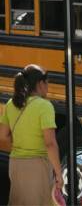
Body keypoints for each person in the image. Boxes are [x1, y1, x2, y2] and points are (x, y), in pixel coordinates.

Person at [0, 64, 63, 205]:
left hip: (15, 164)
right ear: (40, 83)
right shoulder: (44, 106)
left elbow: (2, 135)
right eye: (47, 83)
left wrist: (20, 146)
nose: (48, 87)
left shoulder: (11, 104)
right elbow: (50, 144)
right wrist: (59, 173)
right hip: (37, 166)